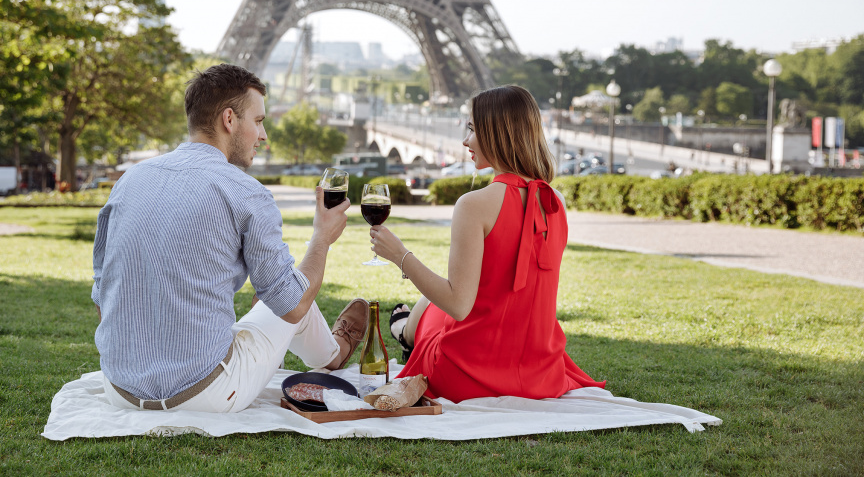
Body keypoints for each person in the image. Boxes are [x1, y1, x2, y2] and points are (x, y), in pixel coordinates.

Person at [92, 63, 368, 413]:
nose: (263, 136)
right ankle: (333, 354)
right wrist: (322, 238)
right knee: (287, 293)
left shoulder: (128, 181)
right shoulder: (246, 192)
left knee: (277, 293)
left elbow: (103, 298)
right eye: (259, 121)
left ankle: (329, 351)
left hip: (120, 391)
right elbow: (293, 306)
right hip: (205, 395)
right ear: (229, 120)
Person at [370, 85, 605, 403]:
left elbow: (457, 304)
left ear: (497, 133)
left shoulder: (473, 204)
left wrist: (400, 256)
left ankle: (404, 330)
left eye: (471, 128)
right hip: (540, 374)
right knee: (438, 306)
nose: (465, 140)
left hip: (470, 376)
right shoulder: (555, 202)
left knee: (434, 310)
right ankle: (406, 328)